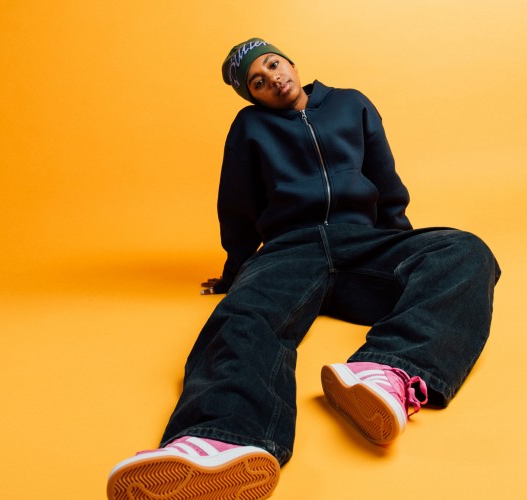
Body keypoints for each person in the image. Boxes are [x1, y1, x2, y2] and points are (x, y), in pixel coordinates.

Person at [106, 38, 500, 500]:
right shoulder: (249, 127)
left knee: (466, 250)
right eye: (257, 82)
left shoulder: (351, 103)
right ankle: (222, 438)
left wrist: (401, 248)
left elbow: (386, 181)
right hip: (289, 250)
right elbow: (237, 205)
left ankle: (386, 375)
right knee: (242, 316)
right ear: (252, 96)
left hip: (361, 244)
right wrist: (235, 273)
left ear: (290, 62)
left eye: (273, 65)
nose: (273, 79)